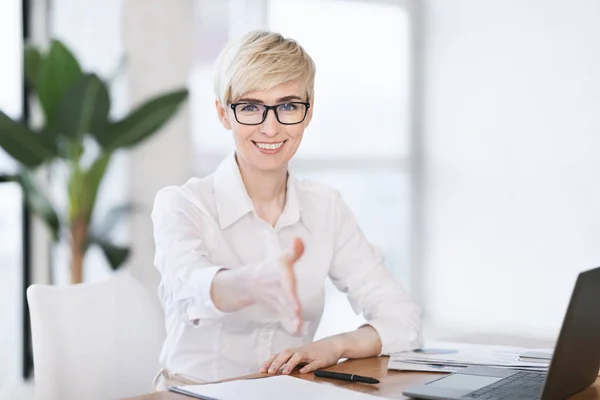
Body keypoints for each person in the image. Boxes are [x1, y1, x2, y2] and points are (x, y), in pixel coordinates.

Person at [151, 29, 423, 389]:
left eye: (288, 106)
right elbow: (192, 288)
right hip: (193, 394)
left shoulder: (325, 206)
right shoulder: (181, 205)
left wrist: (335, 345)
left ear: (308, 112)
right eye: (250, 107)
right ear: (223, 113)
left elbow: (404, 319)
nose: (270, 127)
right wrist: (252, 282)